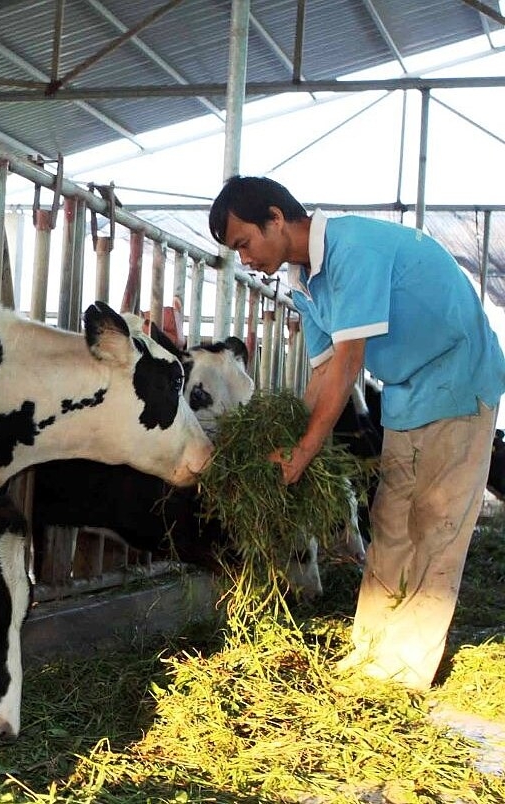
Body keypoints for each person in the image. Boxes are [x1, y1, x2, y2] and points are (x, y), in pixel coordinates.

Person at [208, 175, 505, 690]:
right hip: (407, 390)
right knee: (390, 520)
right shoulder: (304, 280)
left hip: (458, 377)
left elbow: (348, 365)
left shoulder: (352, 251)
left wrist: (305, 450)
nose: (245, 258)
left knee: (435, 522)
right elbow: (323, 372)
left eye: (244, 243)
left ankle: (407, 667)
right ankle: (371, 652)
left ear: (275, 219)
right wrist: (285, 436)